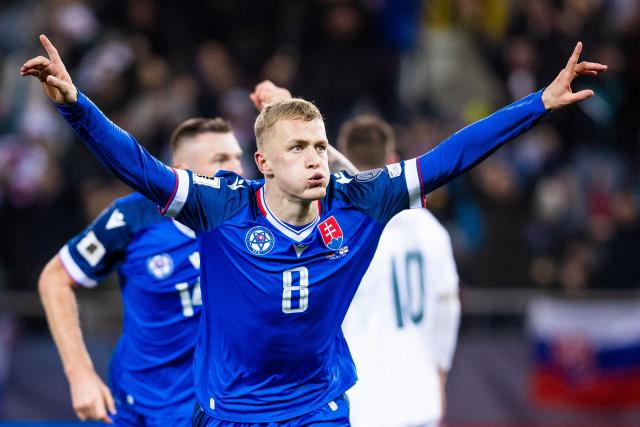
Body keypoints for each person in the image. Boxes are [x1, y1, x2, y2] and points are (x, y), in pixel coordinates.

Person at [22, 34, 605, 425]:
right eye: (297, 147)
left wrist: (539, 103)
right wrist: (74, 104)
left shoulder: (360, 202)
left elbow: (452, 155)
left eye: (320, 146)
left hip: (320, 406)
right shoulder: (223, 206)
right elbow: (137, 165)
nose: (315, 158)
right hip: (232, 409)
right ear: (265, 163)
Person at [38, 117, 243, 425]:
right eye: (221, 159)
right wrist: (79, 374)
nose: (236, 170)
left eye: (238, 158)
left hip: (214, 408)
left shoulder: (254, 221)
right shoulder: (133, 216)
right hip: (137, 405)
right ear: (182, 169)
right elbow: (55, 278)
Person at [338, 116, 460, 427]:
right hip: (419, 398)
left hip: (360, 403)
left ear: (339, 165)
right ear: (393, 161)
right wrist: (439, 377)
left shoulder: (337, 233)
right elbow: (448, 307)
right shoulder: (431, 230)